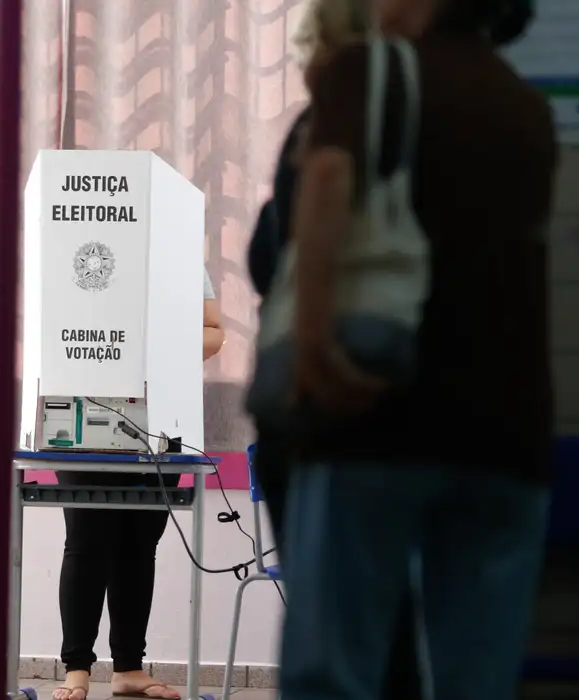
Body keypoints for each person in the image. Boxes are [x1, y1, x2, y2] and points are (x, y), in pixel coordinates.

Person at [276, 0, 552, 698]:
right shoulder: (526, 105)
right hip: (508, 434)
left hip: (374, 414)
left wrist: (310, 344)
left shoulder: (367, 70)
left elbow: (329, 180)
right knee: (475, 683)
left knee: (334, 677)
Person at [245, 2, 423, 697]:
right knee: (389, 616)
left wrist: (312, 341)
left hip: (316, 389)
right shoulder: (418, 113)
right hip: (393, 388)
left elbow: (269, 259)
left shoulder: (328, 121)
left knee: (327, 621)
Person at [52, 270, 222, 700]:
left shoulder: (180, 254)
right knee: (87, 542)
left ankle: (129, 667)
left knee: (138, 545)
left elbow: (214, 334)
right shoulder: (80, 244)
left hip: (162, 420)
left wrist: (154, 346)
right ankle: (76, 670)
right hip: (84, 413)